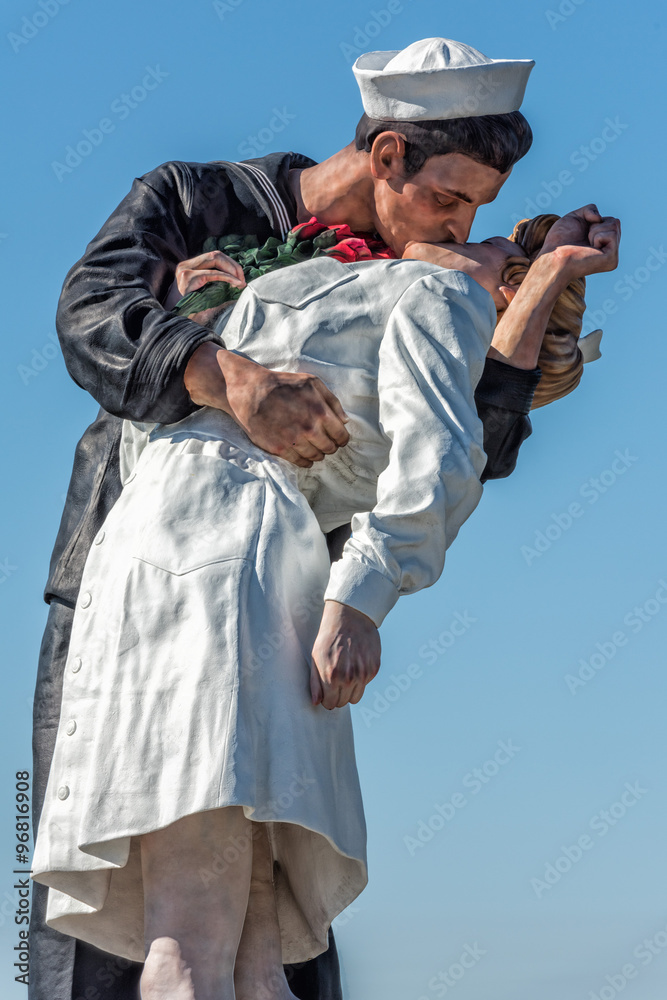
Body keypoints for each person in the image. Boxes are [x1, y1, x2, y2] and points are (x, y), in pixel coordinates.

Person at [28, 36, 613, 1000]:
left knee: (270, 936)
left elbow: (468, 447)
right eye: (448, 198)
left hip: (285, 590)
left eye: (477, 211)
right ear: (386, 155)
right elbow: (91, 314)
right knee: (113, 936)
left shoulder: (417, 274)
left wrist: (540, 284)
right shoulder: (193, 200)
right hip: (126, 579)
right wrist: (231, 376)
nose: (462, 224)